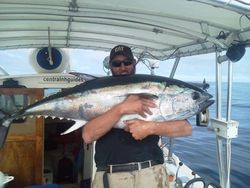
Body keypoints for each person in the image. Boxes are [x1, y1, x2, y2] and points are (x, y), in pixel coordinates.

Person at [82, 45, 192, 188]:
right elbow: (87, 136)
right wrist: (121, 108)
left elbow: (186, 128)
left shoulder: (150, 88)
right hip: (111, 177)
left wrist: (149, 128)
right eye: (116, 63)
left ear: (133, 63)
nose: (122, 67)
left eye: (127, 62)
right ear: (110, 66)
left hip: (151, 174)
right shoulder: (100, 95)